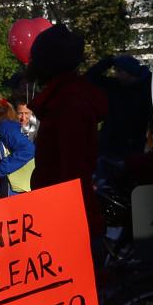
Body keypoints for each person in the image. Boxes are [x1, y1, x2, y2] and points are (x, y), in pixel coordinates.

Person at [27, 25, 108, 230]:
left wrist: (62, 223)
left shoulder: (68, 103)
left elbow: (72, 172)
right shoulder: (66, 99)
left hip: (68, 221)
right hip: (65, 214)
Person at [87, 53, 153, 163]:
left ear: (130, 72)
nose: (116, 74)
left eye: (119, 71)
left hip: (132, 148)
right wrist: (109, 60)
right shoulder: (114, 85)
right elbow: (90, 77)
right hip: (107, 145)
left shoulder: (147, 88)